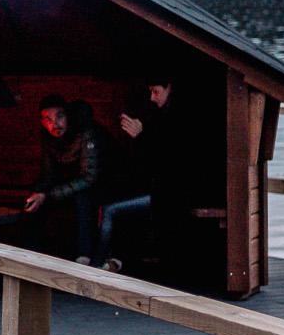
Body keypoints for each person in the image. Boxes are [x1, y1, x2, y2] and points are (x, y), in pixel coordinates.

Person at [97, 80, 175, 271]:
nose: (152, 98)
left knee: (111, 209)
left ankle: (96, 267)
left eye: (156, 92)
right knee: (113, 200)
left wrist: (141, 136)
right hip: (156, 189)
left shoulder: (176, 119)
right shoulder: (158, 116)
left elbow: (166, 162)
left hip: (170, 193)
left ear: (169, 88)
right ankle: (115, 261)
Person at [21, 95, 104, 263]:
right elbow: (48, 174)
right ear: (43, 122)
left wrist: (49, 195)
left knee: (83, 197)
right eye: (48, 120)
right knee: (35, 202)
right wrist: (37, 195)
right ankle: (30, 259)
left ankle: (84, 258)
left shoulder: (87, 131)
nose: (55, 124)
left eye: (59, 117)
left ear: (68, 115)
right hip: (73, 184)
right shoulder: (48, 137)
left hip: (106, 183)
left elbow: (90, 176)